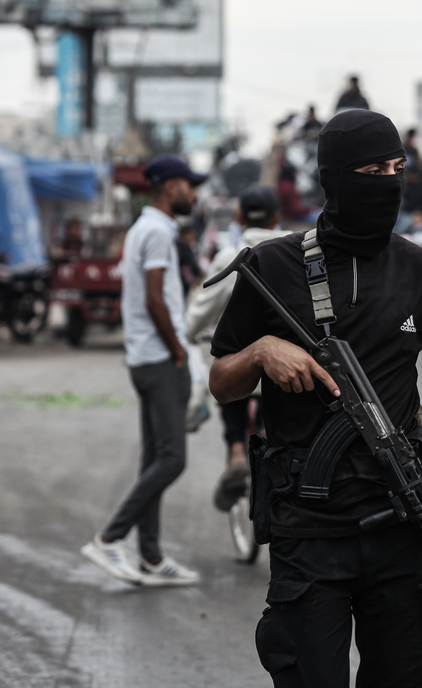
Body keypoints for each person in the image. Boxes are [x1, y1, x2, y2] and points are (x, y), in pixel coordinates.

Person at [207, 109, 422, 687]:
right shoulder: (272, 266)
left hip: (405, 526)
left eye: (397, 167)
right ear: (335, 178)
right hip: (309, 531)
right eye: (372, 168)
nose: (388, 180)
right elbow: (221, 380)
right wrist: (261, 353)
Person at [81, 155, 204, 588]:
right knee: (172, 459)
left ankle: (150, 556)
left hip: (145, 358)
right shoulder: (154, 231)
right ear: (170, 187)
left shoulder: (145, 230)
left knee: (155, 457)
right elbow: (155, 299)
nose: (195, 193)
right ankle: (110, 536)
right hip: (159, 359)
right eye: (190, 185)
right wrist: (177, 351)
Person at [185, 185, 286, 510]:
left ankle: (236, 456)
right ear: (276, 218)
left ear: (239, 217)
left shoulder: (231, 258)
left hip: (243, 376)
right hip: (288, 371)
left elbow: (199, 315)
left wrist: (190, 333)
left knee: (226, 371)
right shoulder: (297, 253)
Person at [176, 222, 201, 299]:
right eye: (191, 234)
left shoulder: (182, 247)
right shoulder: (184, 248)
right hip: (182, 284)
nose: (193, 237)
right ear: (183, 235)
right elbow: (192, 265)